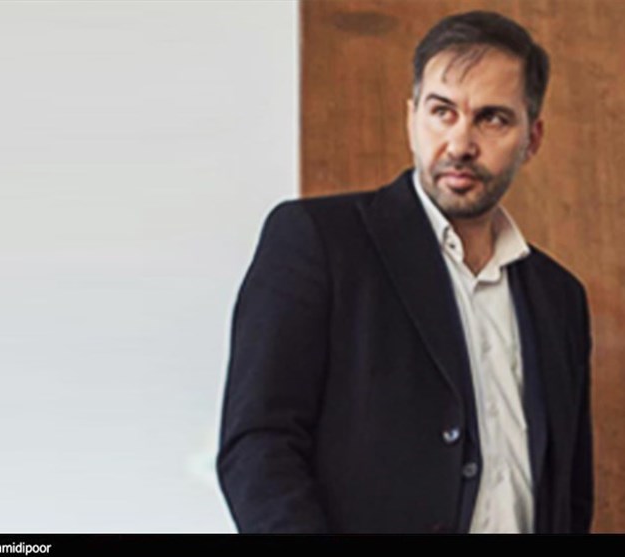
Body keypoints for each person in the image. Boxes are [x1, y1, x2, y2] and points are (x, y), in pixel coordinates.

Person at [216, 10, 593, 534]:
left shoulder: (560, 298)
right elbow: (257, 446)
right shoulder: (318, 241)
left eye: (492, 119)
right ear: (411, 118)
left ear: (532, 138)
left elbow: (569, 491)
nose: (460, 144)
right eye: (443, 112)